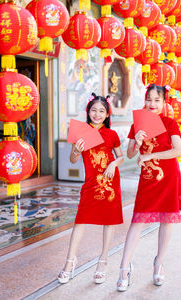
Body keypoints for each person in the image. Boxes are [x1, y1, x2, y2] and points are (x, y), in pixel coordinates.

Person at [117, 84, 181, 291]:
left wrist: (151, 155)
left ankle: (158, 264)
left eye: (157, 100)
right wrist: (136, 143)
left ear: (164, 103)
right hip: (147, 180)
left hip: (168, 177)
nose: (152, 104)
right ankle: (124, 268)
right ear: (144, 100)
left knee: (166, 220)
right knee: (137, 221)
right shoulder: (138, 124)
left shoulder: (170, 123)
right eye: (149, 99)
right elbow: (129, 155)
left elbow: (178, 150)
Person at [58, 93, 124, 284]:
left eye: (101, 111)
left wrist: (113, 164)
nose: (97, 114)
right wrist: (76, 151)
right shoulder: (81, 131)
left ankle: (103, 261)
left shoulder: (111, 134)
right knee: (80, 220)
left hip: (110, 182)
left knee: (109, 221)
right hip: (90, 183)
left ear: (107, 114)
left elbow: (120, 157)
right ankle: (70, 262)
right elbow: (72, 160)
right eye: (94, 110)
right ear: (88, 112)